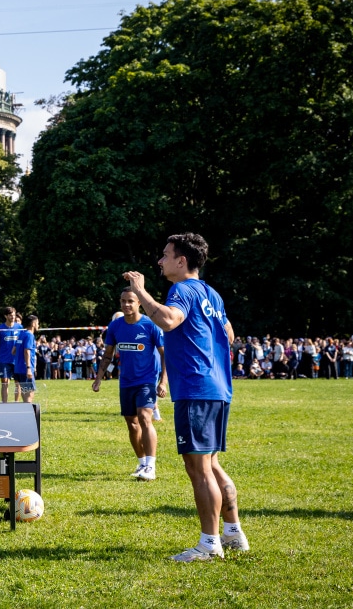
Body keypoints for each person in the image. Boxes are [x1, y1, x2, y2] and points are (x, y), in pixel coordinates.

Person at [123, 232, 249, 562]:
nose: (160, 261)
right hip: (217, 388)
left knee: (198, 468)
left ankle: (209, 545)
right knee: (211, 464)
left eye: (165, 255)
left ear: (182, 261)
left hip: (196, 388)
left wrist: (140, 291)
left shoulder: (181, 290)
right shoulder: (211, 293)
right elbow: (229, 333)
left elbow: (167, 319)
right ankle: (233, 533)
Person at [93, 289, 168, 481]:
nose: (126, 305)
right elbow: (108, 354)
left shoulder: (150, 325)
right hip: (126, 382)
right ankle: (142, 462)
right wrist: (99, 377)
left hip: (147, 380)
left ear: (139, 303)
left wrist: (163, 381)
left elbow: (164, 354)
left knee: (145, 418)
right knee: (132, 424)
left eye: (130, 301)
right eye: (123, 301)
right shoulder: (115, 326)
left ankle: (151, 465)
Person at [0, 307, 22, 402]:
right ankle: (5, 405)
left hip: (17, 360)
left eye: (14, 315)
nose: (13, 317)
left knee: (18, 383)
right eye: (11, 315)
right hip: (4, 360)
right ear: (5, 316)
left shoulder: (20, 328)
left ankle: (16, 403)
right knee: (5, 383)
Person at [13, 315, 39, 403]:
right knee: (29, 394)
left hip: (18, 368)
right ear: (33, 324)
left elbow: (13, 351)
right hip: (25, 369)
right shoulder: (29, 335)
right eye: (37, 323)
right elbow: (27, 351)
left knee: (24, 394)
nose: (38, 325)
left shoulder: (21, 334)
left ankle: (25, 414)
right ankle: (29, 415)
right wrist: (28, 368)